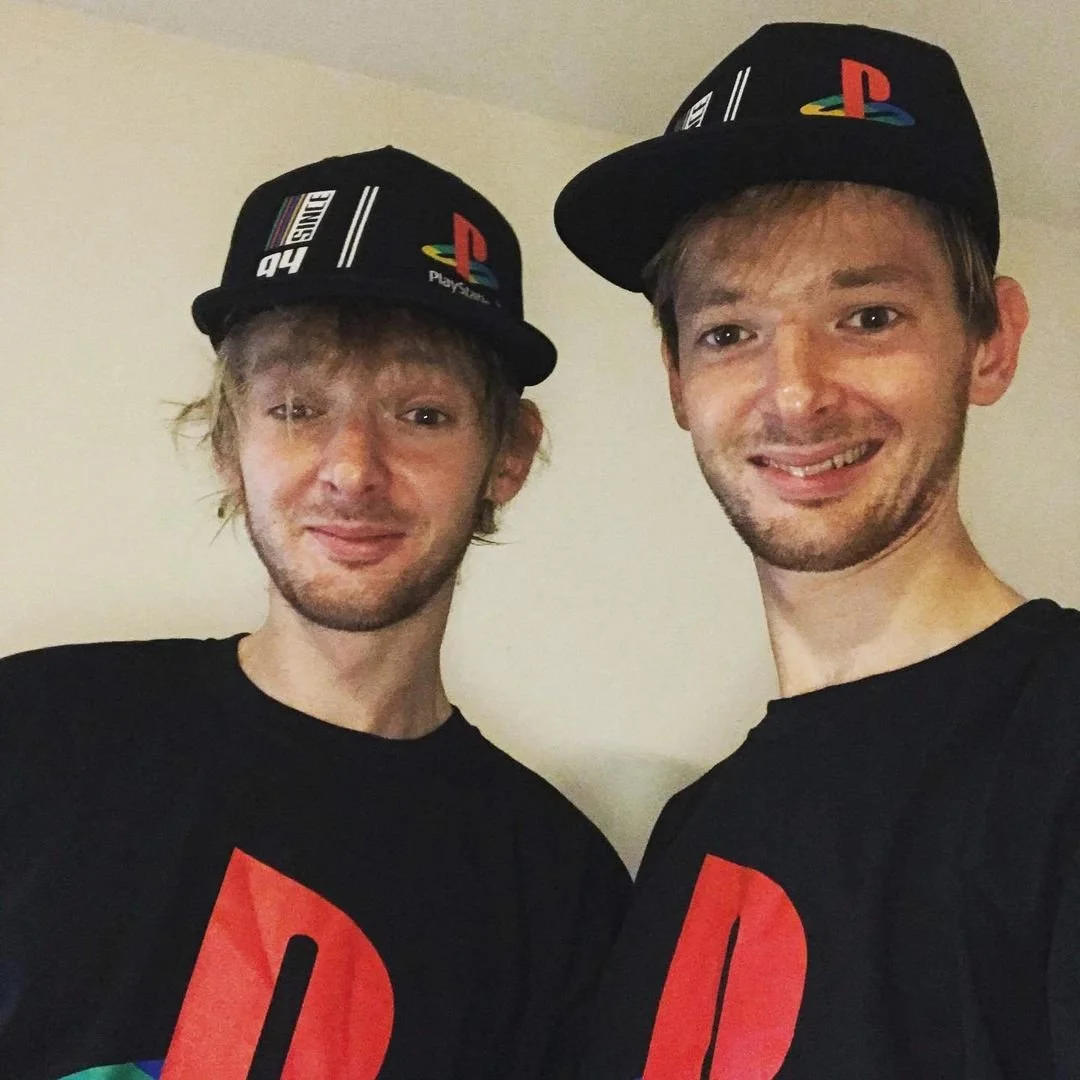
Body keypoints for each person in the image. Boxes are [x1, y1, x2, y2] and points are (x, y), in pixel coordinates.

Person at [0, 146, 630, 1080]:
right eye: (296, 406)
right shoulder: (30, 729)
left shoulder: (561, 887)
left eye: (422, 414)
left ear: (509, 455)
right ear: (227, 441)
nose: (350, 469)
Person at [555, 22, 1079, 1078]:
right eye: (729, 332)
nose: (794, 392)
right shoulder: (692, 835)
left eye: (868, 314)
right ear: (674, 380)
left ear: (992, 341)